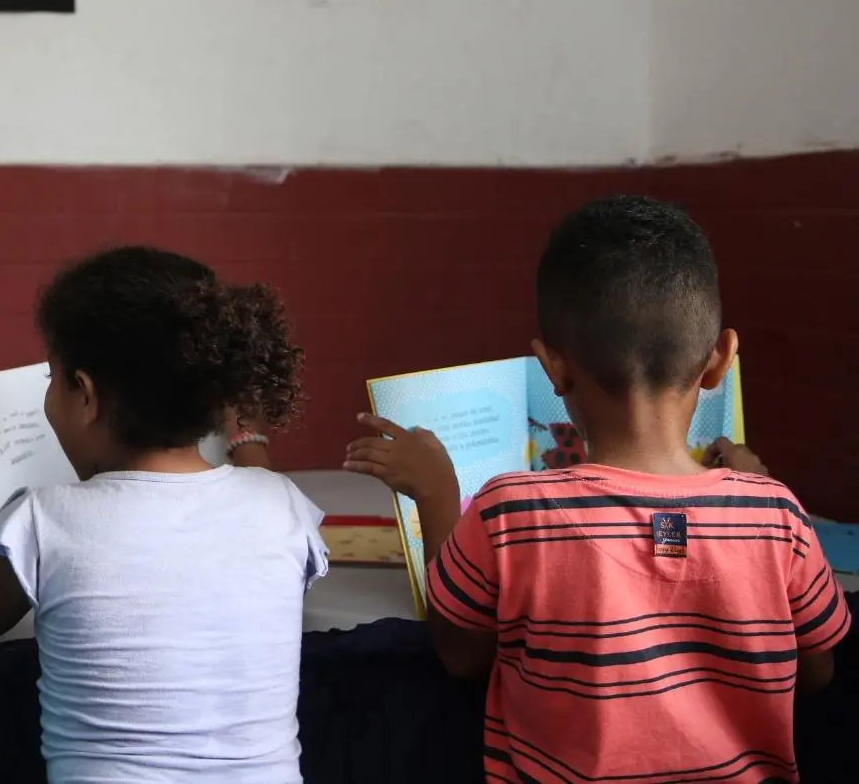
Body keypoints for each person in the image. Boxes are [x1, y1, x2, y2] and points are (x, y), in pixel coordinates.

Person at [345, 195, 850, 784]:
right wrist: (755, 488)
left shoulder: (509, 512)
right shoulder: (778, 515)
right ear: (720, 363)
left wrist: (436, 498)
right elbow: (818, 674)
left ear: (552, 368)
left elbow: (461, 656)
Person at [0, 246, 327, 784]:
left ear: (85, 396)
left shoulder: (46, 519)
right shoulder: (284, 506)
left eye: (52, 376)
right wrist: (248, 440)